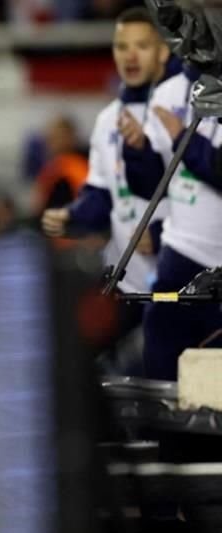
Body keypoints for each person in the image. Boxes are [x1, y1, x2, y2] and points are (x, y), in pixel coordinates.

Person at [41, 7, 171, 362]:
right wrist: (74, 215)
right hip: (120, 275)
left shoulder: (180, 108)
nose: (129, 55)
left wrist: (160, 233)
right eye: (121, 46)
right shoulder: (106, 120)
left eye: (141, 45)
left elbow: (198, 194)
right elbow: (100, 192)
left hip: (178, 275)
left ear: (162, 49)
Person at [118, 65, 222, 379]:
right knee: (162, 359)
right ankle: (160, 430)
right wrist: (137, 151)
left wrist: (181, 137)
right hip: (181, 256)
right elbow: (154, 182)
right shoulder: (167, 93)